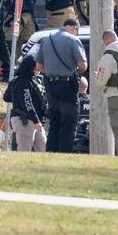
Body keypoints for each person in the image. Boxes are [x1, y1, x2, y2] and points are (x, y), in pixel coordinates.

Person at [32, 18, 88, 153]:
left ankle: (51, 152)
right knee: (68, 122)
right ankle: (64, 153)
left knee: (55, 121)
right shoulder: (73, 40)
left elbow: (38, 67)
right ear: (75, 28)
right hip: (67, 85)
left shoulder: (46, 40)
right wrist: (71, 71)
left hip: (50, 86)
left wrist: (52, 71)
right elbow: (83, 66)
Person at [3, 55, 46, 152]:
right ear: (33, 66)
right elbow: (27, 103)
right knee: (24, 150)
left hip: (32, 120)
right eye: (39, 64)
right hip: (25, 120)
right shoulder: (24, 82)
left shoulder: (18, 80)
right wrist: (36, 121)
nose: (41, 67)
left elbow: (7, 97)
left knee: (43, 147)